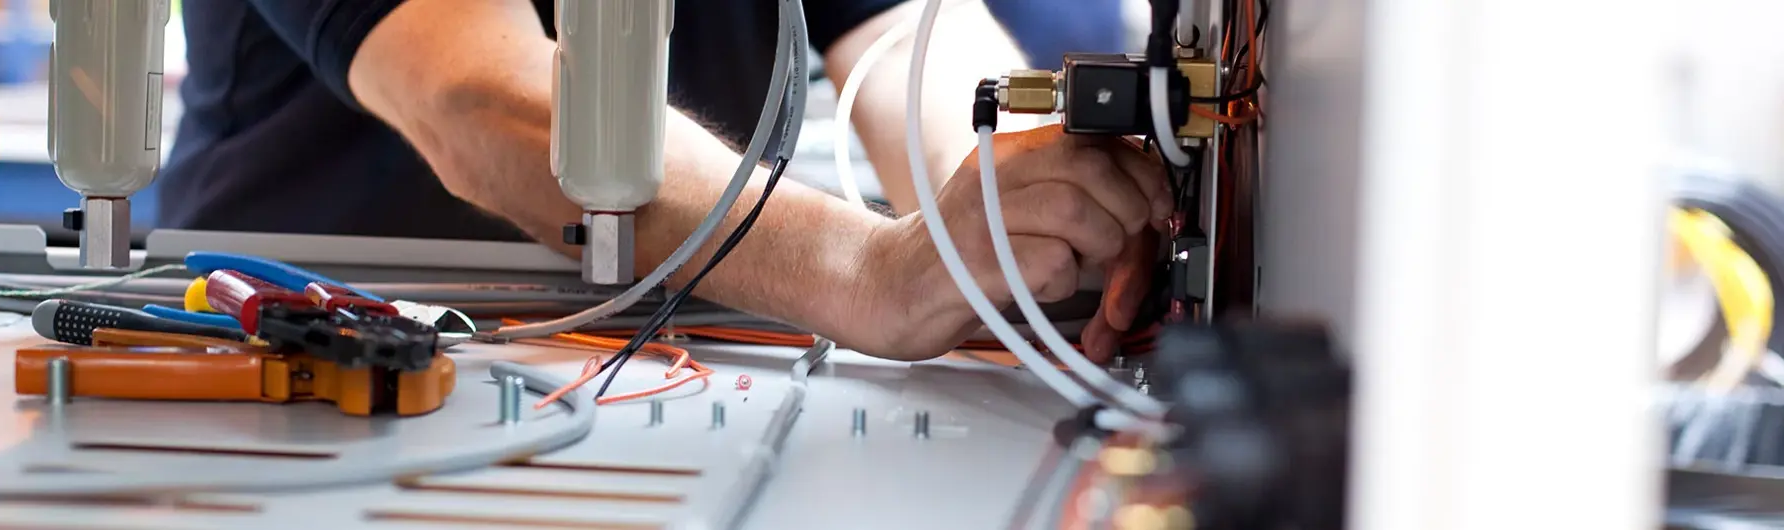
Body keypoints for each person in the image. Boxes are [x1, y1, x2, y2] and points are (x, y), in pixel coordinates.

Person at [161, 0, 1173, 363]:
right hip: (302, 342)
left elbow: (908, 30)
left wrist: (1032, 212)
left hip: (679, 333)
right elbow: (479, 98)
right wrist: (874, 272)